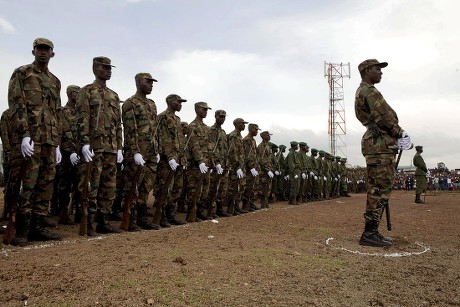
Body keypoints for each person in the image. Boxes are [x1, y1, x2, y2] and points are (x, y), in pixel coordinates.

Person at [7, 38, 63, 246]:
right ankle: (22, 228)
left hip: (49, 139)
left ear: (52, 54)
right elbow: (16, 103)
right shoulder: (22, 73)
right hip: (31, 138)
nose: (42, 53)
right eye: (39, 49)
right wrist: (24, 134)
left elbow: (56, 112)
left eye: (46, 50)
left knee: (46, 183)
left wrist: (56, 142)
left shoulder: (55, 81)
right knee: (27, 183)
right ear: (33, 51)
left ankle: (38, 225)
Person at [355, 59, 412, 247]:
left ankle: (371, 231)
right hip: (379, 143)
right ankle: (369, 233)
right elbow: (384, 117)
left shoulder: (365, 90)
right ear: (366, 71)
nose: (381, 72)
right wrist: (400, 133)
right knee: (379, 189)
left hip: (378, 143)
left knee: (377, 188)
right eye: (377, 69)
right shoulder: (369, 91)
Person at [75, 56, 124, 235]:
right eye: (105, 67)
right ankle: (87, 222)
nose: (109, 70)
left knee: (109, 186)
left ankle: (104, 221)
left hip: (110, 148)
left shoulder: (113, 95)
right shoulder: (86, 91)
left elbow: (118, 124)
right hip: (94, 148)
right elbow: (82, 118)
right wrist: (85, 143)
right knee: (90, 185)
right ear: (95, 69)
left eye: (110, 68)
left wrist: (119, 146)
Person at [120, 73, 162, 231]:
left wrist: (157, 149)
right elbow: (130, 129)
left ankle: (142, 217)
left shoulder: (152, 104)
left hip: (151, 152)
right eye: (148, 81)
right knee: (132, 185)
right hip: (137, 152)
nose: (151, 85)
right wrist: (135, 151)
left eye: (152, 82)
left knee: (146, 185)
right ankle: (129, 218)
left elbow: (155, 129)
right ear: (138, 82)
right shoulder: (130, 103)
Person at [155, 94, 190, 226]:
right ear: (170, 101)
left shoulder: (177, 119)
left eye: (181, 102)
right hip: (167, 160)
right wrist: (170, 157)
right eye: (178, 102)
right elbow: (162, 139)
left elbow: (180, 141)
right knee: (165, 187)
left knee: (177, 188)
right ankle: (161, 214)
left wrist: (183, 159)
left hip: (178, 159)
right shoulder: (162, 117)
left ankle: (171, 214)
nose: (180, 104)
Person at [226, 118, 247, 215]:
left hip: (241, 166)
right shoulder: (233, 136)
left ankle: (236, 206)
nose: (244, 125)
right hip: (235, 166)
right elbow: (232, 152)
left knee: (240, 187)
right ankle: (231, 207)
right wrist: (237, 166)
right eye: (242, 123)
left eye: (244, 124)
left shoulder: (239, 136)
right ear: (236, 124)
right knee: (233, 187)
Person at [257, 131, 274, 208]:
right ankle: (263, 203)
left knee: (268, 187)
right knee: (263, 187)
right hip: (264, 170)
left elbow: (269, 159)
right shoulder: (262, 146)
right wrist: (267, 170)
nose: (269, 137)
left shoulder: (267, 146)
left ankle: (265, 202)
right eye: (268, 135)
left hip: (268, 169)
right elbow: (261, 160)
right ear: (263, 136)